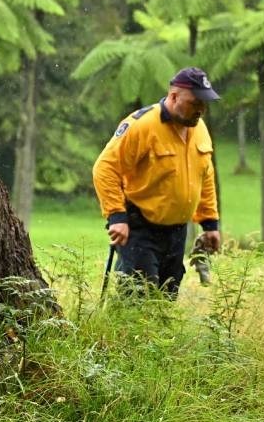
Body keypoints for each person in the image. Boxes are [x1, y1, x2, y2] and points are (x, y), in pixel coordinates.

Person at [92, 68, 222, 297]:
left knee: (166, 297)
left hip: (177, 232)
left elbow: (205, 174)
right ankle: (121, 333)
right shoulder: (141, 125)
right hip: (140, 228)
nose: (201, 109)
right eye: (195, 102)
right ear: (173, 97)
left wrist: (210, 223)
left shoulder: (199, 128)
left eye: (204, 103)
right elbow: (105, 168)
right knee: (138, 295)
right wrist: (116, 217)